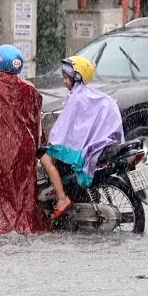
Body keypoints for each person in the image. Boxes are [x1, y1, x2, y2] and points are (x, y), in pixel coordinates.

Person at [0, 44, 50, 234]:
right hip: (25, 148)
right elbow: (36, 118)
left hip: (3, 147)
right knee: (23, 189)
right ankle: (21, 222)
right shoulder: (28, 88)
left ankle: (4, 220)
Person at [41, 55, 125, 220]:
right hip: (104, 141)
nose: (64, 82)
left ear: (76, 77)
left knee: (45, 158)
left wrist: (51, 142)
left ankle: (62, 199)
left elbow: (67, 130)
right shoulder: (94, 95)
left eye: (66, 78)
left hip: (86, 146)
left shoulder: (77, 98)